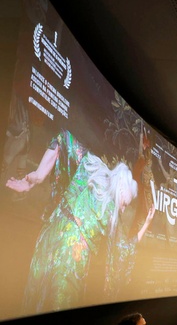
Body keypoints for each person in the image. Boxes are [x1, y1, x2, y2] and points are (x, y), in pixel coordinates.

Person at [6, 130, 155, 313]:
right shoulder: (103, 188)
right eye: (125, 203)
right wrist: (36, 177)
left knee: (39, 297)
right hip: (69, 260)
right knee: (57, 302)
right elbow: (124, 248)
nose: (123, 208)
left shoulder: (93, 168)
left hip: (52, 240)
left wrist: (38, 176)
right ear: (122, 189)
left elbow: (63, 139)